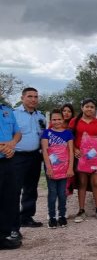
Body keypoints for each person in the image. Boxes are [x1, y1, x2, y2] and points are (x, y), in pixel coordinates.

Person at [13, 87, 46, 235]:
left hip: (35, 156)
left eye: (36, 97)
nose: (33, 99)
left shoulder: (41, 116)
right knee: (13, 191)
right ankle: (12, 224)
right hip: (17, 157)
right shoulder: (14, 115)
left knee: (31, 189)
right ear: (22, 98)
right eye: (30, 96)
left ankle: (26, 217)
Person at [69, 98, 97, 223]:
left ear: (94, 109)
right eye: (87, 106)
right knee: (82, 183)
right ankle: (81, 210)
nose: (89, 109)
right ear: (82, 107)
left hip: (95, 158)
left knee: (96, 183)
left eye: (92, 107)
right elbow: (69, 138)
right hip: (81, 157)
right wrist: (74, 149)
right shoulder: (75, 121)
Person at [41, 109, 74, 228]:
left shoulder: (68, 133)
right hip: (51, 168)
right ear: (51, 120)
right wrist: (48, 167)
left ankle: (62, 216)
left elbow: (70, 151)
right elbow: (45, 151)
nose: (56, 121)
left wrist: (70, 168)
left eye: (59, 119)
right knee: (52, 193)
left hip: (64, 168)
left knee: (62, 193)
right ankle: (52, 217)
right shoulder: (46, 133)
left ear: (63, 119)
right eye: (54, 119)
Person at [0, 103, 22, 249]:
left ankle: (4, 234)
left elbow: (18, 132)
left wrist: (12, 143)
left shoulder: (7, 110)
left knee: (10, 197)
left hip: (8, 160)